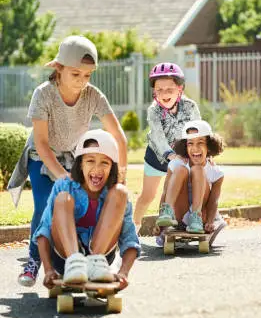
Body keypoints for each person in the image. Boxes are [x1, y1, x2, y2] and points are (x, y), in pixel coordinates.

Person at [8, 35, 128, 286]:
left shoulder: (93, 95)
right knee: (45, 204)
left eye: (87, 75)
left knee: (79, 203)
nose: (82, 82)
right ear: (58, 69)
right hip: (41, 157)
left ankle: (76, 257)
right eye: (76, 74)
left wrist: (122, 173)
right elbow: (40, 142)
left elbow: (118, 136)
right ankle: (33, 262)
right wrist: (61, 175)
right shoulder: (43, 95)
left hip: (74, 157)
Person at [34, 129, 140, 290]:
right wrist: (48, 270)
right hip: (65, 258)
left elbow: (130, 238)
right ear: (80, 164)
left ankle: (95, 260)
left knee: (120, 192)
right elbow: (44, 230)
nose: (97, 169)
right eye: (90, 161)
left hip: (101, 259)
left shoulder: (114, 193)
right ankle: (75, 261)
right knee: (63, 198)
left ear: (112, 167)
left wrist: (124, 272)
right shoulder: (64, 185)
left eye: (104, 162)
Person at [133, 62, 201, 231]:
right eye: (159, 90)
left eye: (169, 89)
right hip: (157, 156)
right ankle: (133, 225)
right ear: (154, 92)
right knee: (148, 196)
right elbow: (158, 136)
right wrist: (170, 156)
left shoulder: (190, 106)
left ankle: (181, 222)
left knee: (183, 191)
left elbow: (199, 131)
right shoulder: (153, 111)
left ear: (180, 89)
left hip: (183, 156)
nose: (164, 94)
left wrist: (205, 154)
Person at [155, 119, 226, 243]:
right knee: (180, 169)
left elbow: (213, 201)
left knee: (198, 170)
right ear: (185, 146)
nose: (195, 148)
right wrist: (160, 218)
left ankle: (195, 217)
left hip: (200, 216)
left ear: (209, 146)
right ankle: (167, 213)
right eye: (190, 143)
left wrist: (209, 221)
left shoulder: (216, 172)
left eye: (200, 143)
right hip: (179, 214)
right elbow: (165, 193)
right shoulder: (176, 163)